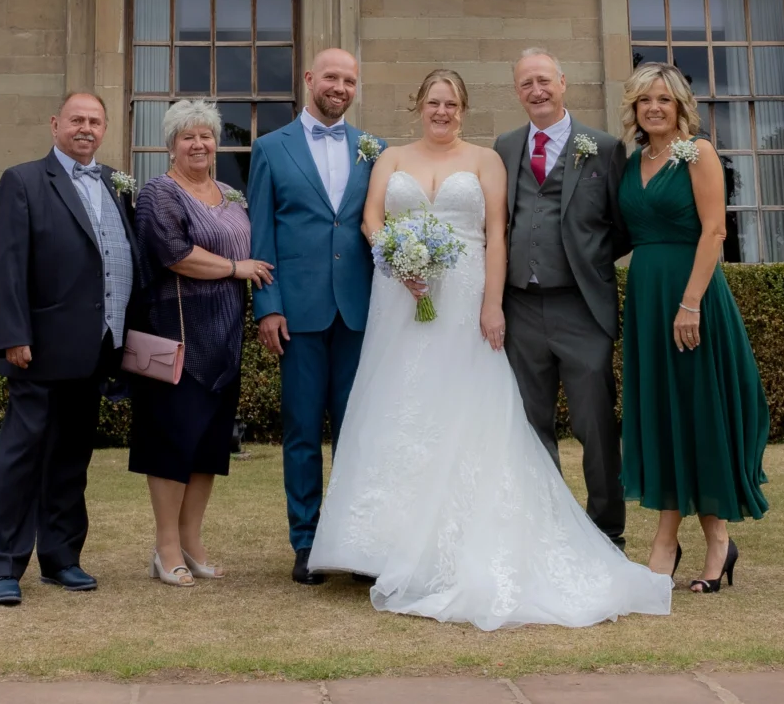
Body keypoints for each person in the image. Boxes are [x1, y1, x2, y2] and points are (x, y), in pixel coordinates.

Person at [308, 67, 671, 629]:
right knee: (400, 412)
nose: (442, 111)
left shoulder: (487, 160)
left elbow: (498, 232)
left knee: (473, 411)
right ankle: (382, 546)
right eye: (434, 102)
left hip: (467, 300)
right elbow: (372, 218)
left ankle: (580, 529)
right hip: (400, 300)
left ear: (465, 108)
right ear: (418, 106)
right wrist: (397, 257)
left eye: (452, 103)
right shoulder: (391, 158)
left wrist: (492, 305)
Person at [0, 90, 143, 607]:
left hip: (98, 348)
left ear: (105, 128)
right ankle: (2, 566)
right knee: (21, 457)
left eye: (95, 121)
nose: (86, 128)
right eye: (77, 119)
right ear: (56, 124)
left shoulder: (118, 185)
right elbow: (5, 265)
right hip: (41, 347)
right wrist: (14, 336)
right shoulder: (23, 180)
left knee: (72, 458)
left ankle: (62, 558)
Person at [616, 61, 770, 592]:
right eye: (644, 100)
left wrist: (690, 303)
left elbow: (714, 232)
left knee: (700, 411)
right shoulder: (635, 160)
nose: (654, 107)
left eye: (664, 99)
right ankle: (670, 539)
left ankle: (713, 543)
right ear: (634, 108)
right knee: (663, 414)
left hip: (692, 299)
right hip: (646, 299)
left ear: (682, 105)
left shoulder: (698, 153)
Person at [491, 47, 632, 546]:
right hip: (520, 307)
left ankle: (607, 528)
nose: (537, 90)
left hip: (581, 307)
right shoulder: (504, 147)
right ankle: (547, 527)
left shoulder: (603, 147)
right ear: (518, 91)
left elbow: (624, 226)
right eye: (527, 83)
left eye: (544, 80)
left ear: (563, 82)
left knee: (595, 422)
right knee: (532, 425)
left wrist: (585, 261)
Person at [131, 98, 273, 586]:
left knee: (209, 447)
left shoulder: (231, 194)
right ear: (171, 145)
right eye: (187, 136)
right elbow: (174, 253)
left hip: (224, 340)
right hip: (177, 338)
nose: (198, 144)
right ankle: (165, 547)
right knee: (172, 443)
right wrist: (236, 268)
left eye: (206, 136)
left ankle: (191, 542)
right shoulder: (158, 193)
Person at [247, 46, 376, 584]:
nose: (339, 87)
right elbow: (261, 234)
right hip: (297, 313)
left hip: (359, 313)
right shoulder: (270, 148)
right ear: (309, 79)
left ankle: (357, 541)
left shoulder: (375, 149)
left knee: (358, 432)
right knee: (302, 433)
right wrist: (267, 308)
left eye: (349, 80)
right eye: (331, 77)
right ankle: (307, 541)